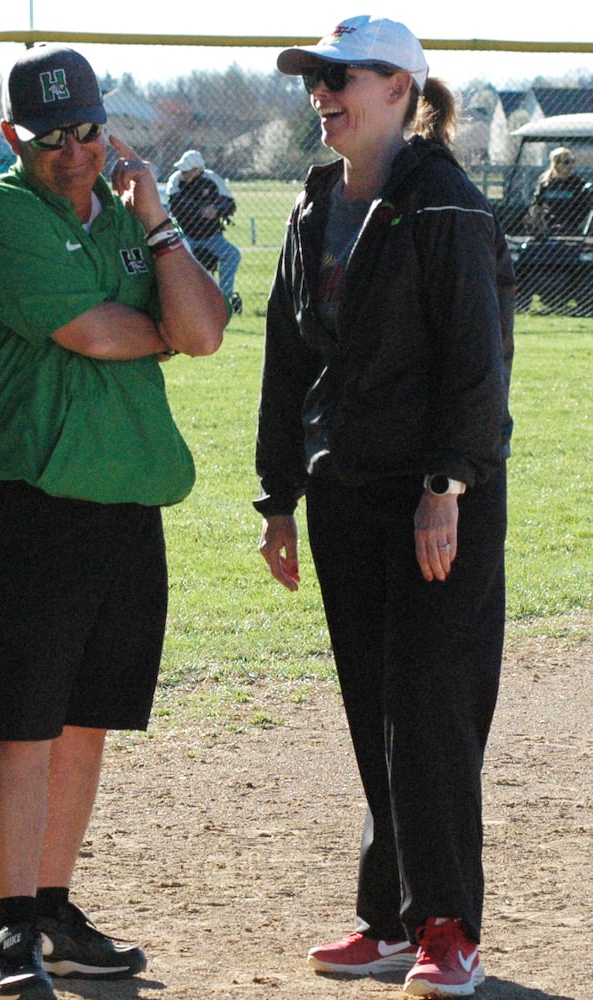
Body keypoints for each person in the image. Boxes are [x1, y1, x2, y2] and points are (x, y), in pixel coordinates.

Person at [0, 43, 227, 1000]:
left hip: (125, 489)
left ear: (111, 128)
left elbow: (206, 331)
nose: (74, 152)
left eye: (90, 132)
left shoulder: (127, 218)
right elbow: (98, 333)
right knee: (21, 724)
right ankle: (12, 930)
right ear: (14, 137)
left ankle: (53, 911)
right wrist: (161, 333)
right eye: (51, 136)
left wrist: (157, 223)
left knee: (84, 722)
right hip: (27, 490)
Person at [254, 15, 514, 998]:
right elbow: (289, 364)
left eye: (341, 76)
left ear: (402, 90)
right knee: (376, 708)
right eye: (313, 77)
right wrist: (279, 495)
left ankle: (449, 926)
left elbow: (477, 364)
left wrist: (446, 484)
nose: (321, 91)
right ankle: (392, 918)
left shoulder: (443, 202)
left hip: (438, 499)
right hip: (345, 499)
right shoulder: (314, 203)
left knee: (430, 711)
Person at [166, 149, 242, 313]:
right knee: (175, 262)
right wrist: (200, 210)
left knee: (232, 254)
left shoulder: (212, 179)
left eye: (186, 171)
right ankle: (184, 301)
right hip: (185, 236)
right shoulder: (175, 180)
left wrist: (217, 210)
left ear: (198, 171)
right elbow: (175, 206)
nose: (183, 173)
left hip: (211, 236)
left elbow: (229, 204)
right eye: (182, 170)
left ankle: (224, 297)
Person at [529, 146, 592, 235]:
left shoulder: (577, 183)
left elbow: (586, 207)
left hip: (573, 227)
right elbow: (536, 205)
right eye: (566, 162)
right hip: (550, 225)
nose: (571, 165)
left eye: (572, 161)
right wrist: (541, 227)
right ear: (556, 164)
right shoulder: (546, 183)